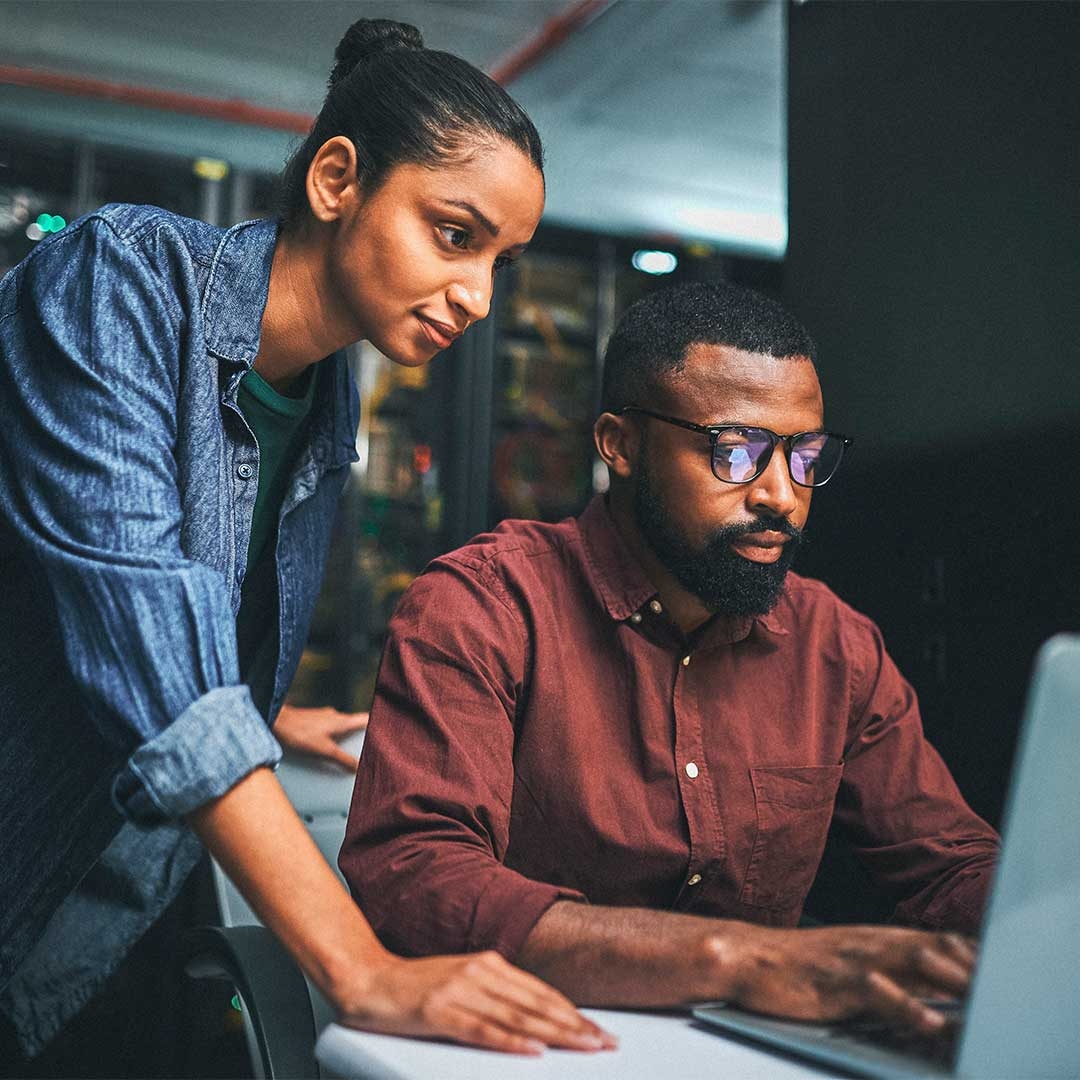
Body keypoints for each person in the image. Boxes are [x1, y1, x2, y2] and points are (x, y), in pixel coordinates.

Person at [0, 18, 613, 1067]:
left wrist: (262, 710)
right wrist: (358, 967)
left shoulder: (325, 408)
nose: (479, 296)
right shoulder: (122, 277)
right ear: (337, 180)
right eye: (454, 235)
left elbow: (116, 622)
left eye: (501, 261)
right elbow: (140, 618)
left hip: (85, 910)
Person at [341, 281, 1000, 1034]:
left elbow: (952, 866)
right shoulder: (485, 606)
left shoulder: (835, 646)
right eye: (737, 452)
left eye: (805, 455)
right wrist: (737, 959)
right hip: (526, 1046)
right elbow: (415, 881)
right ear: (620, 445)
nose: (782, 496)